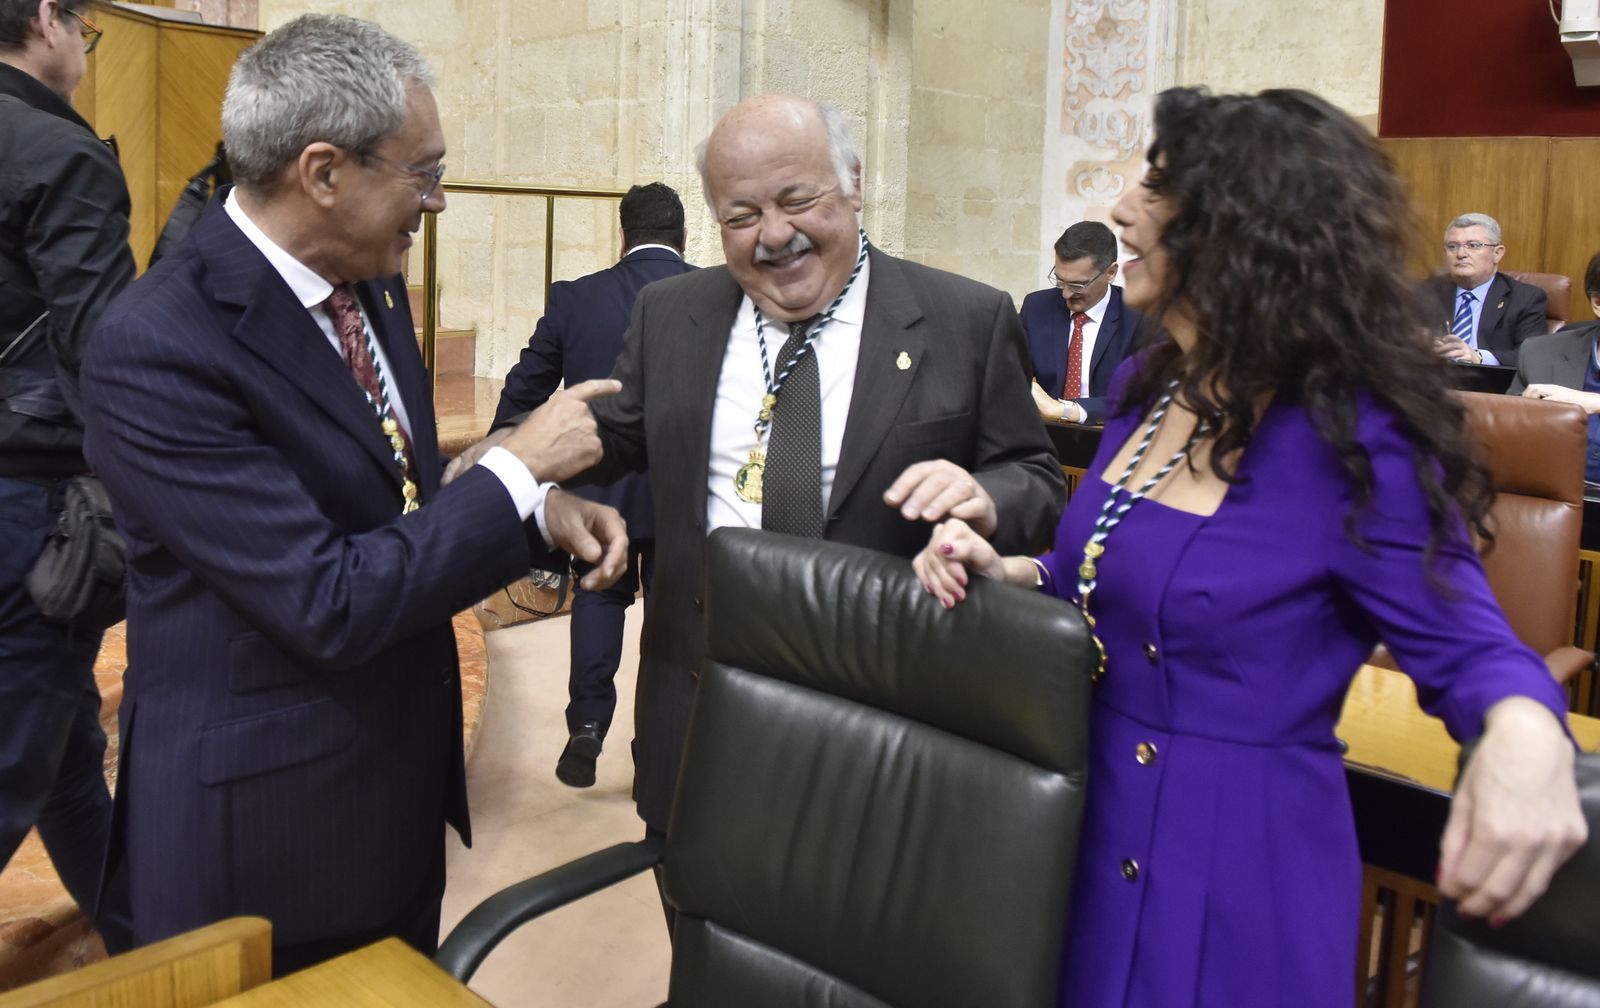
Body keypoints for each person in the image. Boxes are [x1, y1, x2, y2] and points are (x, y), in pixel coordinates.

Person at [914, 87, 1585, 1006]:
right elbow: (1093, 570)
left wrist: (1525, 738)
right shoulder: (1149, 380)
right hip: (1080, 829)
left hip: (1233, 875)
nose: (1121, 210)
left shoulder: (1357, 435)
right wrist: (1011, 569)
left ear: (1247, 231)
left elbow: (1473, 647)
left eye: (1157, 190)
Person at [79, 14, 626, 973]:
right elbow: (326, 598)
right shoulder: (158, 342)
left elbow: (395, 500)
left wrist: (535, 514)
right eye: (423, 173)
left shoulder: (369, 285)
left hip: (391, 791)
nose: (440, 202)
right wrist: (518, 468)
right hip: (263, 833)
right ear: (325, 173)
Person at [452, 95, 1064, 885]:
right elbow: (612, 438)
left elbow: (1035, 476)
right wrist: (536, 482)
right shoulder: (671, 314)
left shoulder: (964, 320)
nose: (774, 234)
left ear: (853, 185)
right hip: (702, 717)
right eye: (741, 215)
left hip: (888, 725)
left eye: (798, 199)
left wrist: (987, 499)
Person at [488, 181, 695, 788]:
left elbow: (524, 389)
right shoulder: (713, 297)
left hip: (601, 483)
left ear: (623, 236)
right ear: (682, 238)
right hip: (681, 488)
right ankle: (658, 742)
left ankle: (586, 727)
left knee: (600, 596)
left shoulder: (576, 299)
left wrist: (514, 458)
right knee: (671, 611)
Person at [0, 0, 133, 939]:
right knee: (17, 756)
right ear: (49, 17)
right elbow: (107, 361)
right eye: (84, 25)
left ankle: (140, 931)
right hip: (29, 508)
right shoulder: (58, 153)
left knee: (65, 750)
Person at [1022, 220, 1153, 424]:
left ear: (1110, 273)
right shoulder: (1037, 307)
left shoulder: (1141, 317)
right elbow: (1012, 375)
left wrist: (1065, 410)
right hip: (1046, 435)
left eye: (1077, 285)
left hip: (1108, 435)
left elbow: (1141, 396)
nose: (1066, 294)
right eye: (1059, 281)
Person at [1511, 249, 1600, 482]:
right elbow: (1504, 443)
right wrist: (1524, 416)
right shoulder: (1540, 353)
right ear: (1597, 303)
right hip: (1553, 500)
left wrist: (1595, 401)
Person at [1422, 212, 1547, 367]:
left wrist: (1477, 356)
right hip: (1432, 382)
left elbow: (1531, 356)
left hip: (1492, 385)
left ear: (1497, 253)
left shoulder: (1526, 299)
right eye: (1452, 247)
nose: (1461, 254)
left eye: (1473, 246)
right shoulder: (1422, 293)